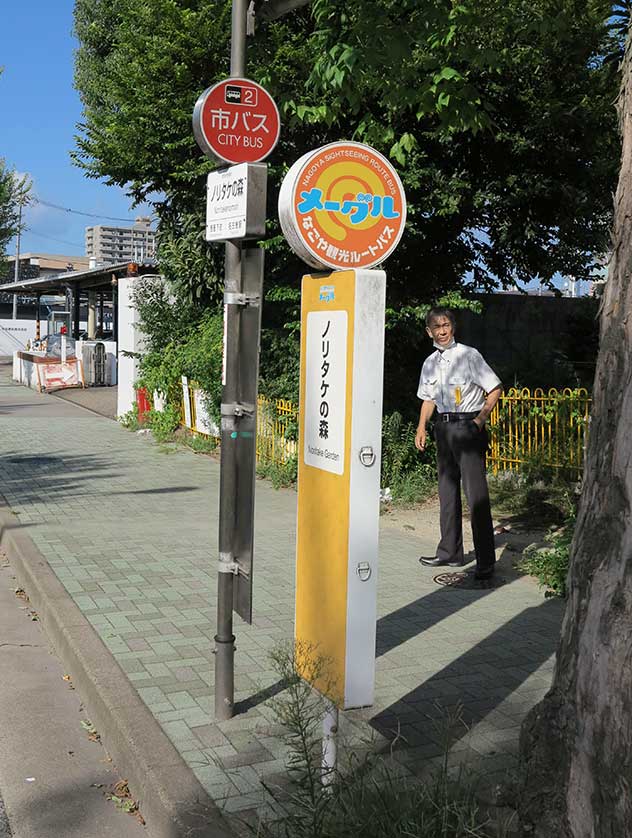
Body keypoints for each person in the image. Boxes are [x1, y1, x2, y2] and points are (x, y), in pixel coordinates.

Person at [415, 307, 502, 580]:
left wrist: (480, 419)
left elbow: (495, 388)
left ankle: (486, 561)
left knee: (476, 495)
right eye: (436, 327)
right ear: (429, 331)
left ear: (453, 326)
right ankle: (449, 552)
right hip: (442, 426)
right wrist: (422, 427)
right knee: (447, 492)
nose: (442, 331)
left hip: (467, 426)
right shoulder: (429, 362)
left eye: (446, 325)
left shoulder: (469, 355)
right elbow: (428, 398)